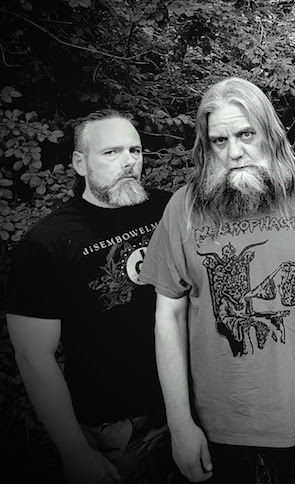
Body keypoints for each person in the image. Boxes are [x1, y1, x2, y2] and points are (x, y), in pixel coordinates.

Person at [139, 77, 295, 483]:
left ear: (270, 135)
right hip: (216, 426)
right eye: (219, 141)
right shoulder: (183, 210)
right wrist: (180, 423)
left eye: (246, 135)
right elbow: (168, 317)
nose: (234, 152)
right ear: (206, 147)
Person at [5, 109, 174, 483]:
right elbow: (33, 357)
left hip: (186, 403)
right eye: (111, 152)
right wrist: (75, 450)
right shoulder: (45, 244)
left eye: (134, 150)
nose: (129, 161)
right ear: (80, 163)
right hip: (117, 428)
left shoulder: (169, 209)